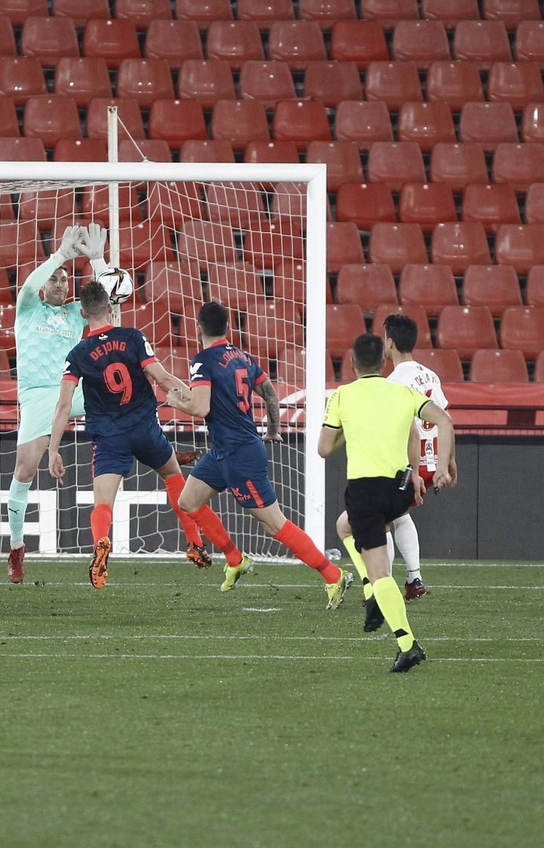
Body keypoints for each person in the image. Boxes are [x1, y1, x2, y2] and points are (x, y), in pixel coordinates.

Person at [46, 282, 242, 589]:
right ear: (110, 309)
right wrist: (193, 398)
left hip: (109, 437)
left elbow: (63, 405)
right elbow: (161, 377)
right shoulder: (133, 337)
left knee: (103, 502)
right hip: (145, 428)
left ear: (83, 314)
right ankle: (194, 542)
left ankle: (101, 544)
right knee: (173, 475)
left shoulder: (78, 353)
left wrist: (53, 449)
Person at [166, 301, 350, 607]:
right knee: (188, 501)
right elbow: (269, 393)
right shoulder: (243, 357)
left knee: (274, 524)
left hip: (239, 454)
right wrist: (274, 429)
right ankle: (235, 559)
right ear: (227, 327)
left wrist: (176, 402)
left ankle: (333, 575)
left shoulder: (202, 360)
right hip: (224, 451)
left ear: (199, 328)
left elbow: (200, 407)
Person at [318, 334, 455, 673]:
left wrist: (347, 429)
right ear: (382, 362)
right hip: (400, 489)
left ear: (352, 363)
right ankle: (373, 587)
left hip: (365, 491)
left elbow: (323, 449)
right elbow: (443, 422)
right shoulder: (403, 392)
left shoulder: (342, 395)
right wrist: (435, 468)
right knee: (344, 525)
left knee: (379, 572)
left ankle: (405, 642)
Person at [5, 223, 126, 583]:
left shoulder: (77, 313)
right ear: (45, 286)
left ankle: (159, 448)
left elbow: (111, 298)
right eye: (54, 279)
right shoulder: (27, 309)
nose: (60, 283)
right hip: (40, 394)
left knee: (126, 391)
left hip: (75, 387)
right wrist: (59, 256)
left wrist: (98, 259)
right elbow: (28, 286)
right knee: (25, 470)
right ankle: (15, 548)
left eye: (64, 279)